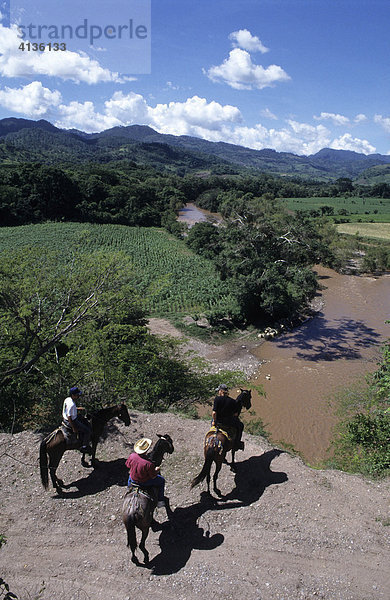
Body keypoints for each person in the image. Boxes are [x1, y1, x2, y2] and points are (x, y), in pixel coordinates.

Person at [126, 438, 166, 508]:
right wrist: (156, 470)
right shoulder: (148, 463)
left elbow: (128, 465)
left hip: (133, 479)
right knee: (161, 481)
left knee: (130, 476)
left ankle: (129, 488)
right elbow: (153, 476)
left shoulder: (132, 456)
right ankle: (160, 500)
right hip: (144, 481)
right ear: (146, 450)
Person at [212, 384, 245, 450]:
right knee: (241, 426)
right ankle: (237, 443)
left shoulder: (217, 399)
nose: (218, 392)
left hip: (218, 422)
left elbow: (214, 413)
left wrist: (214, 421)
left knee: (211, 423)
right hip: (229, 423)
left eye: (219, 390)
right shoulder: (232, 401)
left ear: (221, 391)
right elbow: (235, 414)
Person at [62, 386, 92, 454]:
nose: (78, 396)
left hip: (65, 417)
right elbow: (69, 416)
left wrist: (77, 408)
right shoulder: (71, 404)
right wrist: (74, 428)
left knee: (82, 418)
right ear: (73, 395)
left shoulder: (67, 399)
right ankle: (84, 446)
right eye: (77, 395)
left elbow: (68, 410)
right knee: (87, 431)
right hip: (70, 421)